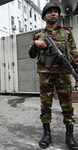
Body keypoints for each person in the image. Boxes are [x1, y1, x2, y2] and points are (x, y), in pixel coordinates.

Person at [28, 3, 78, 150]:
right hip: (46, 74)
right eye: (50, 12)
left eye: (56, 12)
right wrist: (35, 43)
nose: (53, 14)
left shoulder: (67, 33)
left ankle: (70, 136)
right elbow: (31, 55)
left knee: (67, 106)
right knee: (45, 105)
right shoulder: (38, 34)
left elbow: (74, 54)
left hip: (63, 73)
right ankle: (47, 135)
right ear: (44, 16)